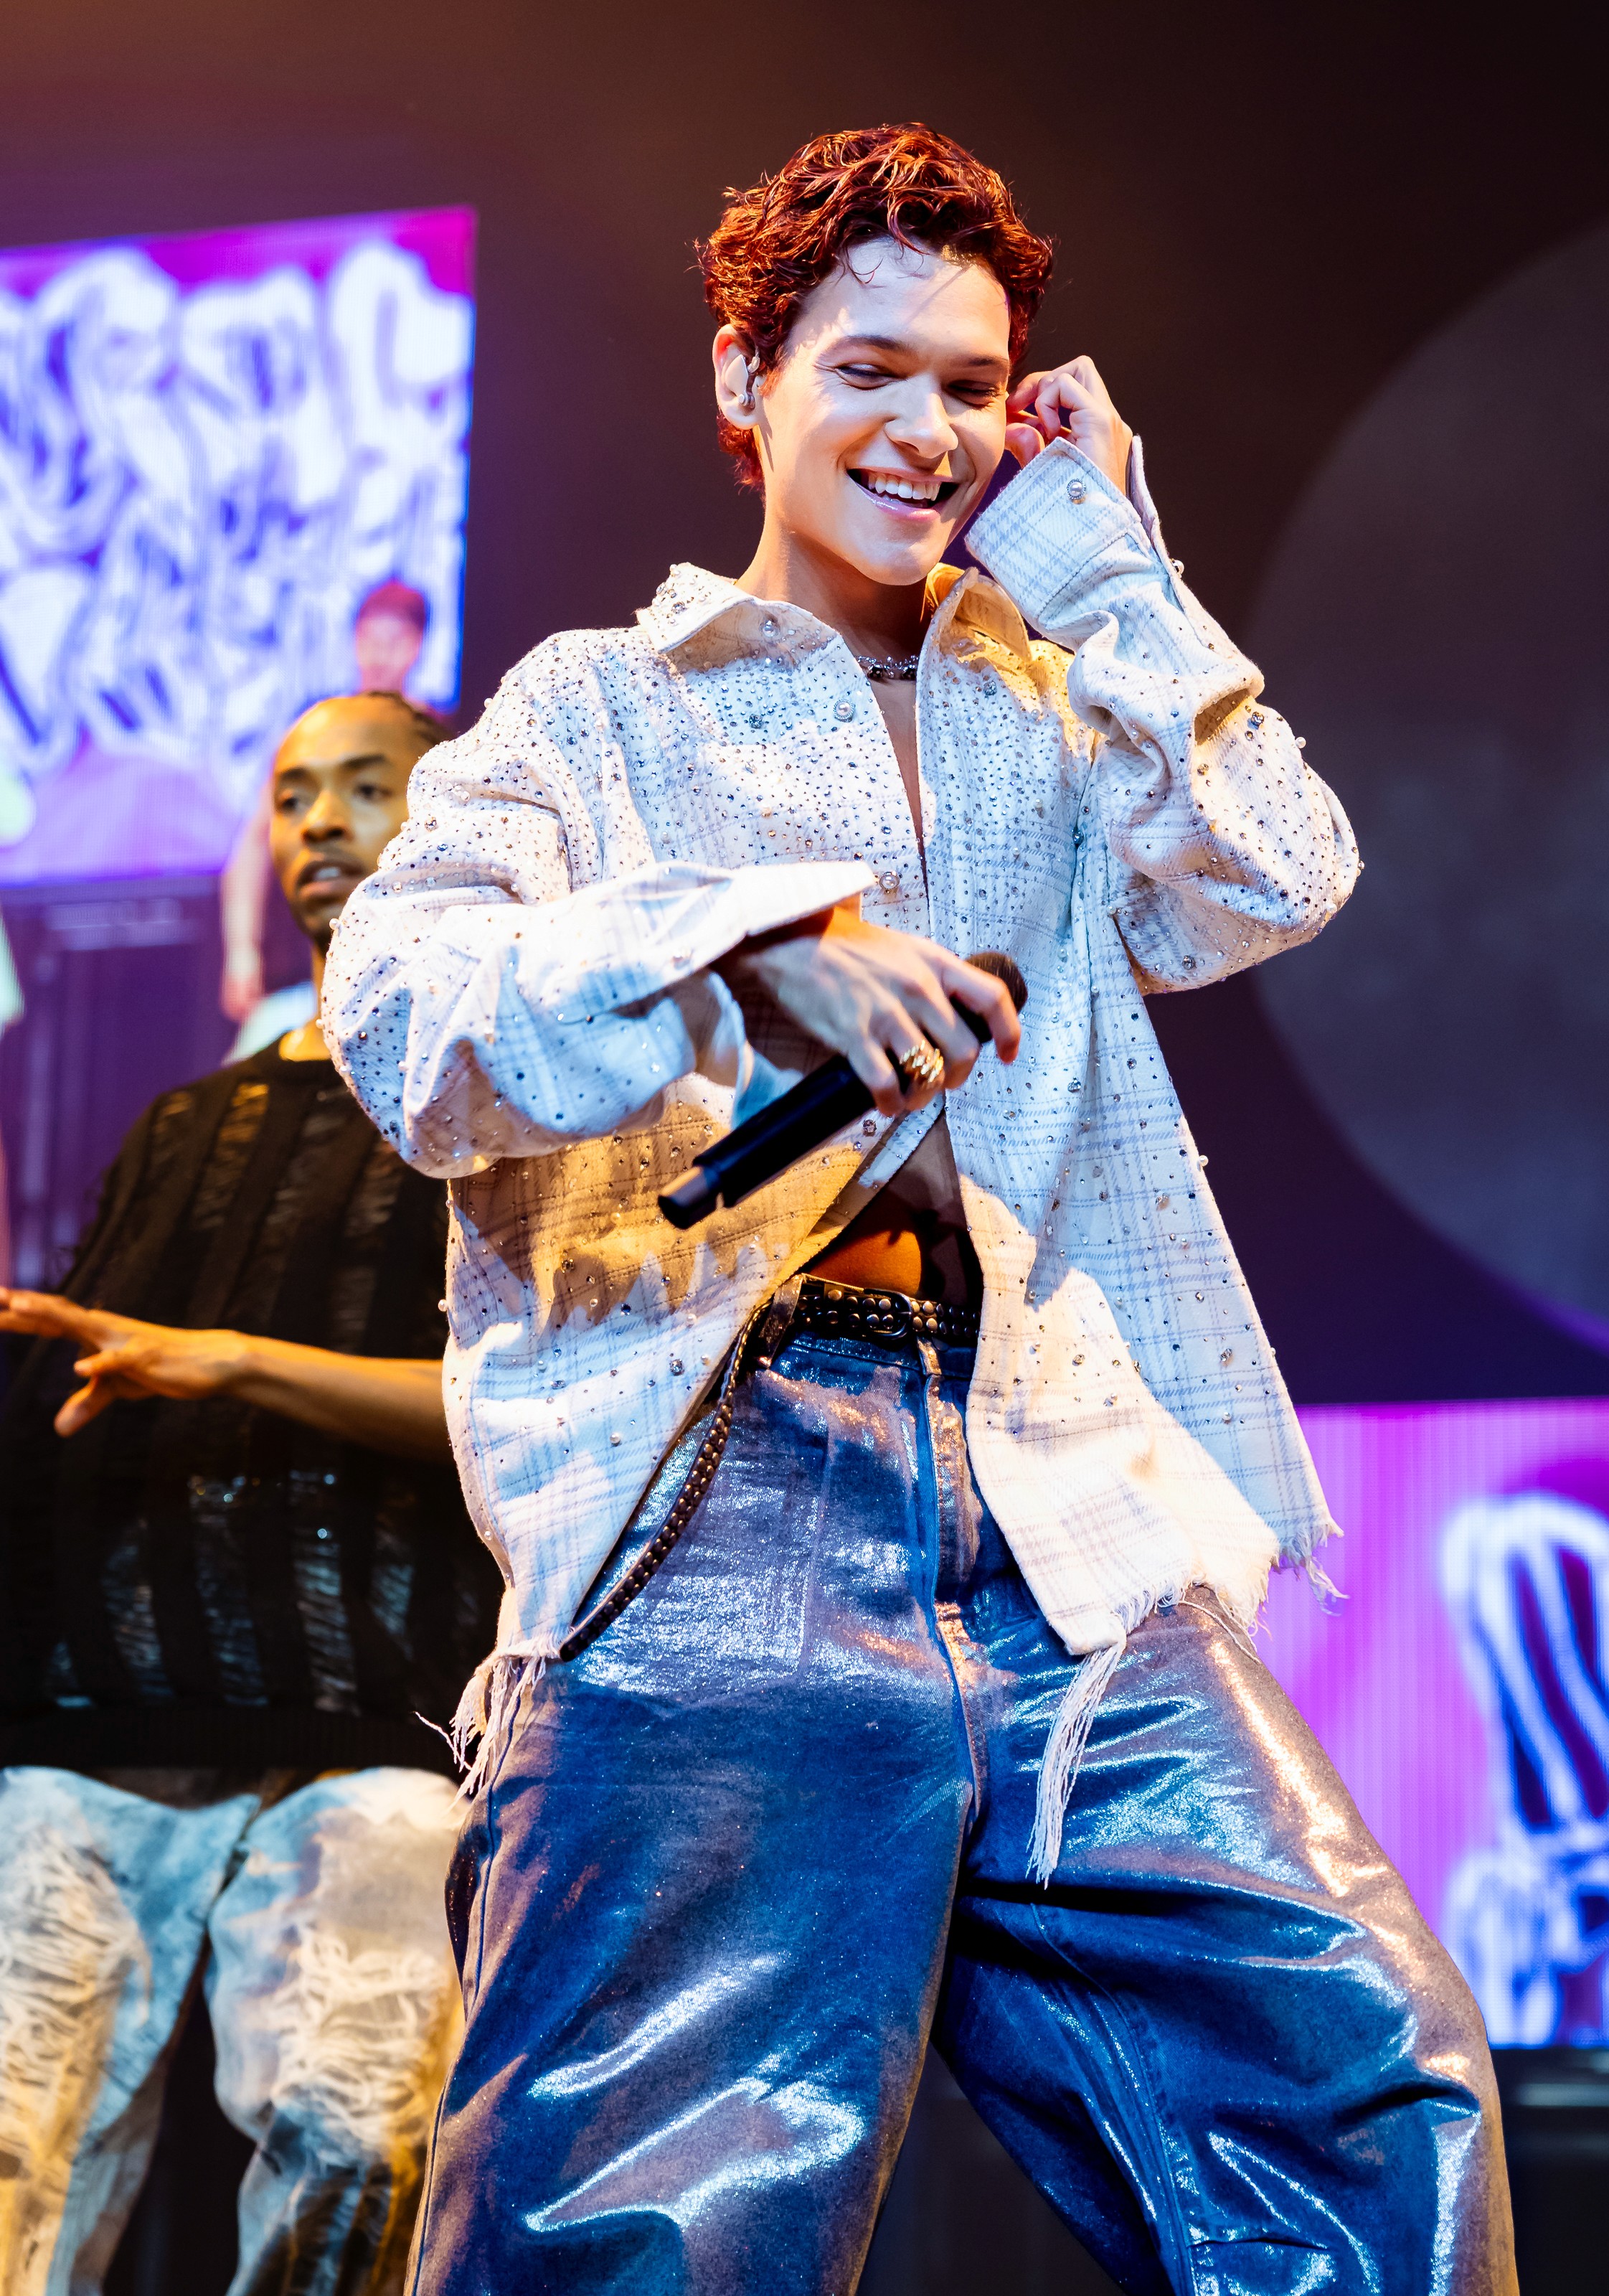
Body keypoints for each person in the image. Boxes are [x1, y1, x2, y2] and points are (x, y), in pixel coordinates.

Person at [325, 125, 1516, 2294]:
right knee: (648, 2232)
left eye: (971, 384)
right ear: (743, 380)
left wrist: (1105, 560)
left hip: (1058, 1507)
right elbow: (404, 1021)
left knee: (1366, 2094)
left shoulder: (1047, 709)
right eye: (867, 370)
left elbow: (1271, 873)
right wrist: (737, 940)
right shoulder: (600, 706)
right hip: (723, 1505)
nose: (927, 429)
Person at [0, 692, 500, 2296]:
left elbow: (531, 1418)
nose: (319, 824)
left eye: (365, 786)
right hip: (104, 1717)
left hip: (379, 1715)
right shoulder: (188, 1122)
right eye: (291, 795)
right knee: (14, 2171)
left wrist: (230, 1364)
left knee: (359, 2145)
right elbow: (70, 1393)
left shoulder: (512, 1120)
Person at [220, 581, 432, 1030]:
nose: (379, 656)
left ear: (418, 646)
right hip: (304, 972)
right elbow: (254, 843)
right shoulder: (317, 733)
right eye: (370, 640)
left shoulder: (433, 742)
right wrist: (242, 952)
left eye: (395, 642)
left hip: (403, 969)